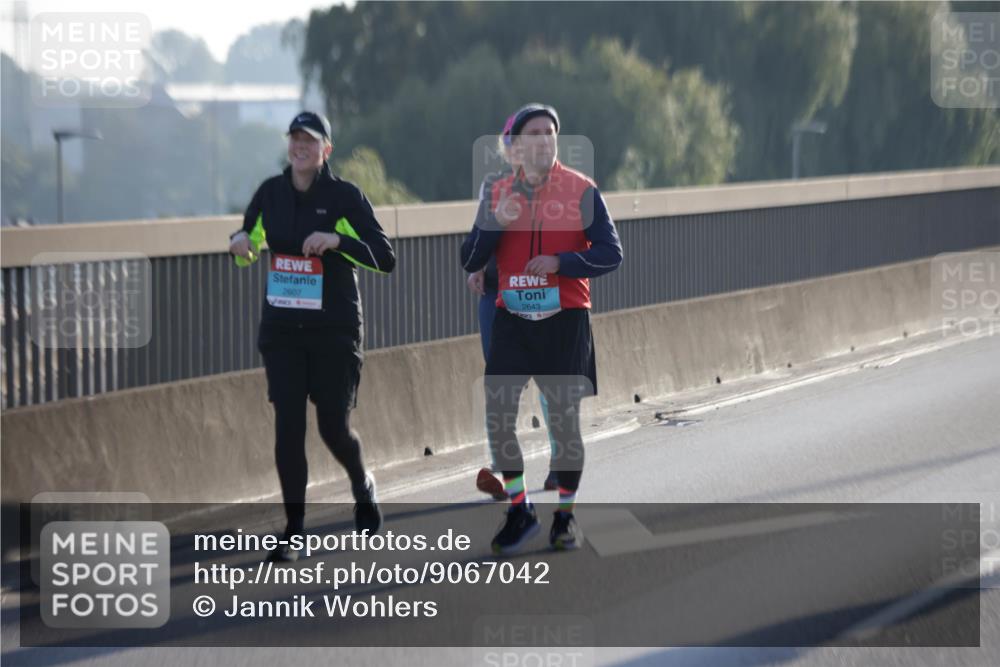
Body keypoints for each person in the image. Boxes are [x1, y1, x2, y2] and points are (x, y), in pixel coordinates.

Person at [229, 111, 396, 562]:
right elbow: (249, 242)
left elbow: (385, 257)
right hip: (283, 330)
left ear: (326, 149)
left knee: (332, 428)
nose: (300, 147)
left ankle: (362, 484)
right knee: (288, 427)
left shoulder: (344, 197)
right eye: (295, 139)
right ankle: (294, 530)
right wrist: (240, 242)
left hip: (334, 330)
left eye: (310, 140)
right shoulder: (270, 193)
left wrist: (337, 242)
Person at [460, 103, 623, 554]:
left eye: (550, 132)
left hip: (564, 319)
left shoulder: (581, 190)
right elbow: (469, 258)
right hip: (512, 317)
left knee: (565, 426)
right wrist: (497, 221)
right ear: (515, 144)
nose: (544, 140)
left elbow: (611, 253)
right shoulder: (497, 192)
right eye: (533, 133)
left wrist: (562, 263)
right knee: (498, 418)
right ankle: (520, 509)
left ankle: (565, 518)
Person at [469, 113, 560, 501]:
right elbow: (479, 235)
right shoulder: (493, 185)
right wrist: (475, 266)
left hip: (542, 292)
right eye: (511, 142)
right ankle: (505, 469)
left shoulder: (558, 187)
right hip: (498, 295)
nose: (516, 149)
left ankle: (560, 461)